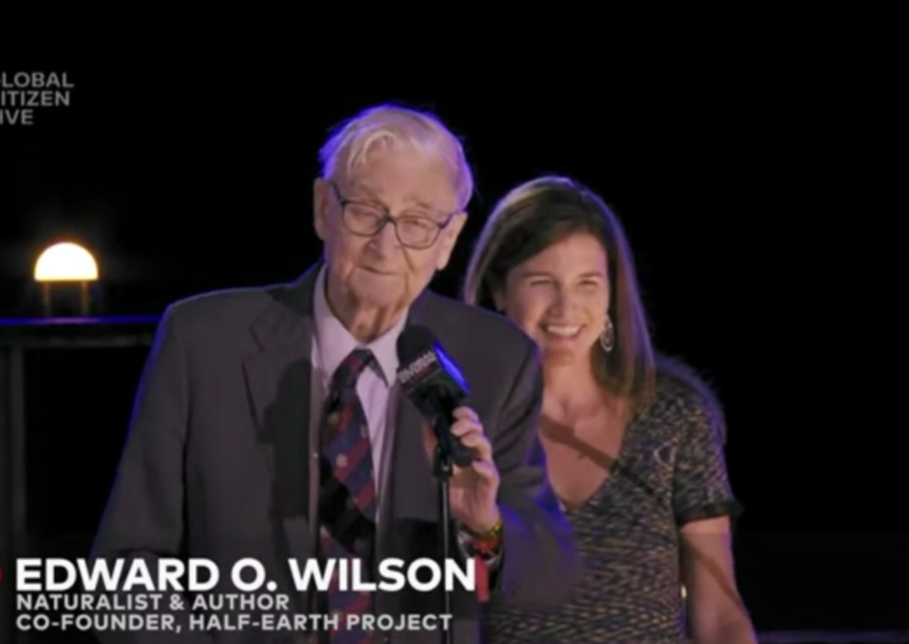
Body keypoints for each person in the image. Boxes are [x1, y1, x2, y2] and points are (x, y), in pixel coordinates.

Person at [92, 105, 576, 644]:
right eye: (366, 211)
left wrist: (483, 526)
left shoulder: (495, 358)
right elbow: (124, 575)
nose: (386, 246)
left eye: (417, 223)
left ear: (449, 239)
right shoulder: (203, 342)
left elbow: (549, 574)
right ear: (324, 208)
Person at [462, 176, 757, 644]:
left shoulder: (673, 416)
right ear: (499, 291)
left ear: (611, 295)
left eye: (587, 283)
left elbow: (719, 613)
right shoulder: (459, 423)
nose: (566, 307)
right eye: (542, 282)